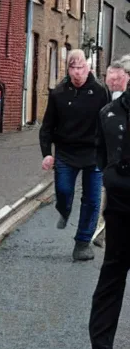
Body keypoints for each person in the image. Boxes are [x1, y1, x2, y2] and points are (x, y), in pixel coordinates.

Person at [39, 49, 110, 261]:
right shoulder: (59, 93)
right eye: (73, 68)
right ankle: (64, 207)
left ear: (88, 68)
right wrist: (46, 153)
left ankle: (82, 242)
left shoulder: (100, 91)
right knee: (63, 189)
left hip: (93, 153)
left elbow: (109, 122)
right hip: (66, 152)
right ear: (68, 70)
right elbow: (47, 127)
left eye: (81, 68)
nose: (77, 73)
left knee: (92, 199)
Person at [89, 58, 130, 349]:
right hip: (120, 202)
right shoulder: (109, 112)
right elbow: (101, 154)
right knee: (114, 268)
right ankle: (102, 343)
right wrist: (113, 179)